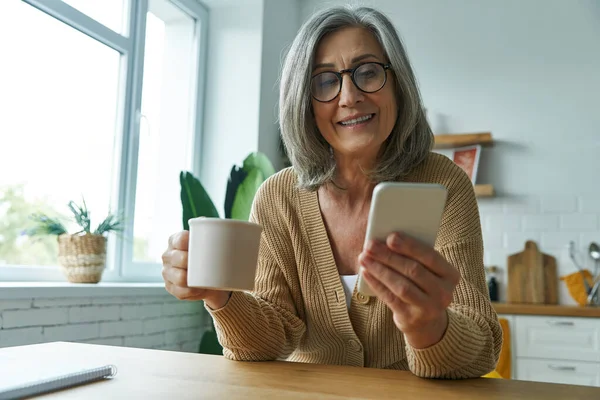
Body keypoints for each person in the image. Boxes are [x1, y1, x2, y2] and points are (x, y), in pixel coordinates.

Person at [161, 5, 502, 379]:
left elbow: (481, 347)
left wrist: (430, 329)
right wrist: (218, 295)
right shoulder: (277, 196)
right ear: (304, 103)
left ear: (398, 84)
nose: (349, 96)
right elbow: (266, 343)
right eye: (325, 81)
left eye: (368, 72)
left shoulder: (443, 183)